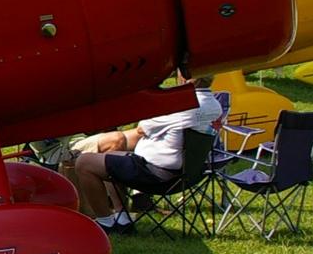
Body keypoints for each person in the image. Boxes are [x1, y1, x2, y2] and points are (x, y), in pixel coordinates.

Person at [70, 76, 225, 231]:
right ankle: (122, 217)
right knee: (111, 153)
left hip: (155, 174)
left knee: (84, 163)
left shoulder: (184, 106)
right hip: (188, 174)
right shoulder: (215, 106)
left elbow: (142, 128)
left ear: (186, 78)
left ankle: (105, 221)